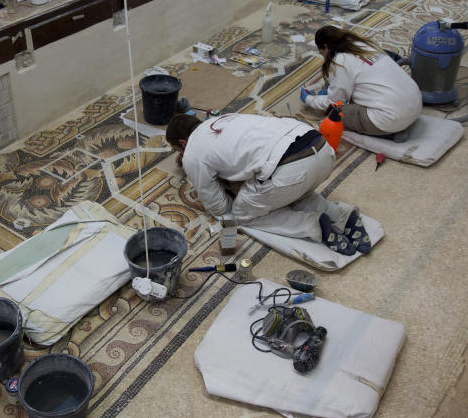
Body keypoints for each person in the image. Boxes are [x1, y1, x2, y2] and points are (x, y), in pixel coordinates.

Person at [165, 112, 370, 255]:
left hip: (291, 170)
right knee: (286, 192)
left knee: (240, 215)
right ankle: (342, 216)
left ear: (183, 143)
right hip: (322, 150)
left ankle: (315, 226)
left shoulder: (191, 152)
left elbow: (218, 207)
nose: (181, 156)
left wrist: (237, 203)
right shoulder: (223, 119)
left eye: (178, 150)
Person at [301, 25, 422, 140]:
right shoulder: (364, 45)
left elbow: (334, 102)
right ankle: (395, 126)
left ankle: (390, 134)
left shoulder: (340, 60)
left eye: (322, 52)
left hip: (392, 119)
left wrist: (310, 99)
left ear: (326, 47)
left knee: (335, 113)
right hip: (416, 104)